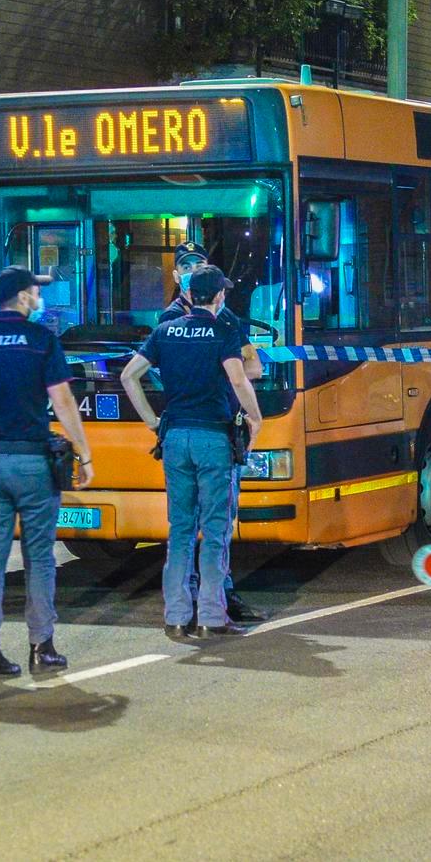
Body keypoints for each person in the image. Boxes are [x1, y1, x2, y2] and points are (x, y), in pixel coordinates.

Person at [0, 266, 94, 681]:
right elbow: (62, 401)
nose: (39, 298)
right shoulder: (42, 341)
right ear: (23, 298)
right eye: (35, 292)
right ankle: (41, 647)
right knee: (39, 558)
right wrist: (83, 453)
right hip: (33, 466)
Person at [121, 264, 264, 640]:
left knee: (180, 529)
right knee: (215, 529)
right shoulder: (223, 330)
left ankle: (177, 615)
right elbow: (237, 376)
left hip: (175, 438)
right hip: (212, 438)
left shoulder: (164, 331)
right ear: (218, 296)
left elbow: (128, 376)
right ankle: (212, 616)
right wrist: (255, 416)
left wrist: (153, 421)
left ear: (188, 294)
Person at [159, 241, 265, 624]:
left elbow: (254, 367)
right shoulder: (170, 320)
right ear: (176, 276)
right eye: (184, 267)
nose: (190, 272)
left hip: (205, 430)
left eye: (197, 266)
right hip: (208, 431)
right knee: (204, 525)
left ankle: (213, 599)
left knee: (203, 523)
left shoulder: (226, 320)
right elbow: (243, 371)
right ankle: (203, 608)